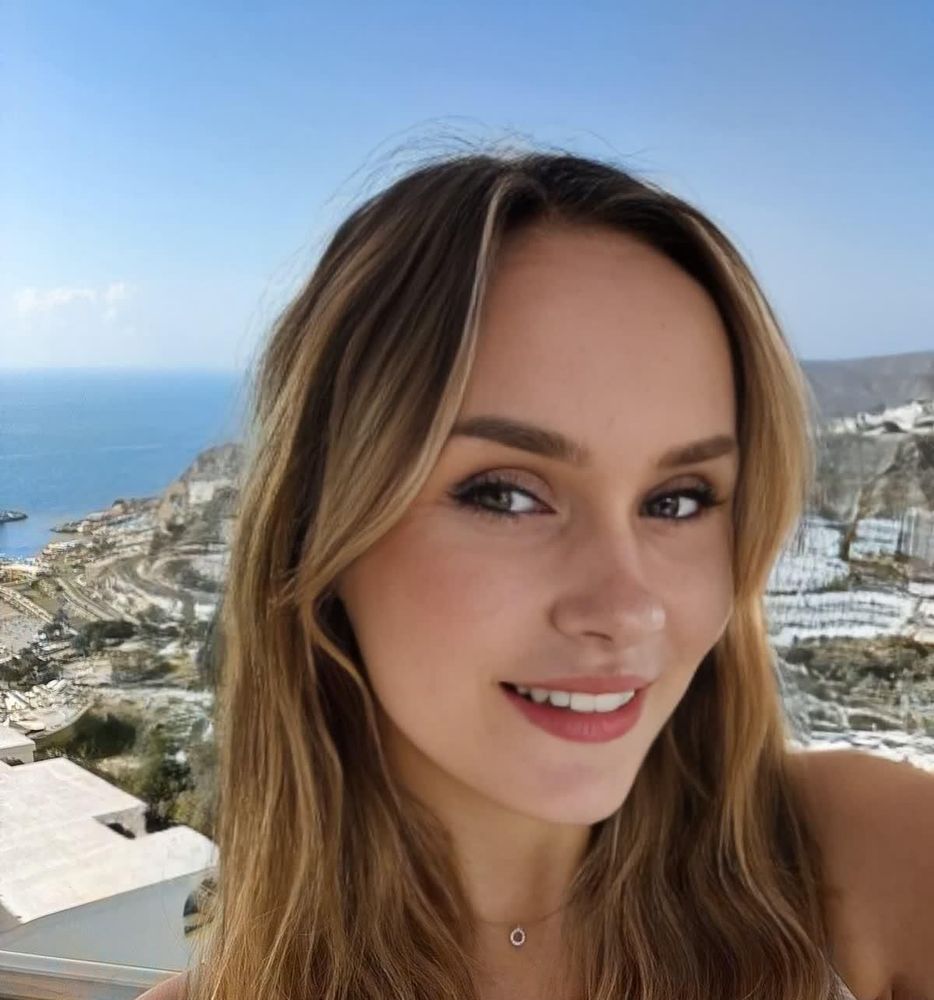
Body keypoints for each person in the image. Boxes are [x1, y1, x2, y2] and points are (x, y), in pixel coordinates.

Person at [140, 147, 934, 1000]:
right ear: (322, 527)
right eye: (506, 495)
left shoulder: (878, 857)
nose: (627, 609)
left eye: (678, 500)